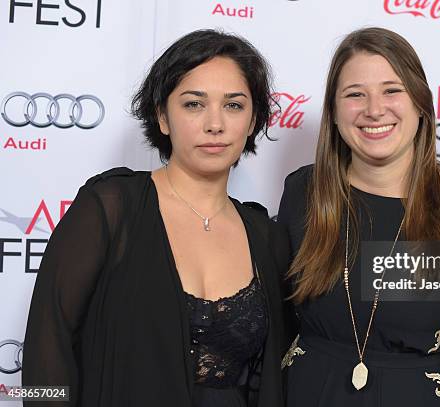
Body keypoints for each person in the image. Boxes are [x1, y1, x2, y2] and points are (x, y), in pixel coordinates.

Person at [22, 29, 292, 407]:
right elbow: (45, 345)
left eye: (233, 105)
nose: (215, 123)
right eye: (193, 104)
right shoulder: (111, 207)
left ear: (252, 121)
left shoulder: (266, 237)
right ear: (162, 116)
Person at [277, 27, 440, 407]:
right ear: (335, 111)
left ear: (420, 103)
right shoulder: (303, 192)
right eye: (355, 94)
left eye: (392, 90)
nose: (374, 109)